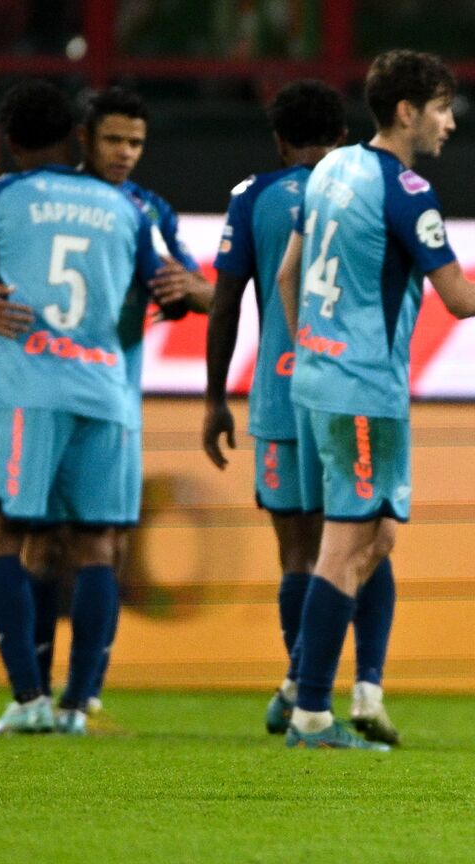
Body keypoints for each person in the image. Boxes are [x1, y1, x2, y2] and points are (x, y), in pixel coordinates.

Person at [276, 50, 475, 750]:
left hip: (320, 377)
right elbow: (459, 297)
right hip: (364, 388)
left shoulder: (329, 168)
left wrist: (309, 343)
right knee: (345, 546)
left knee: (376, 537)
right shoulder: (405, 189)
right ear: (408, 111)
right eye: (441, 108)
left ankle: (300, 686)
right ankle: (309, 710)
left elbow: (288, 272)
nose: (449, 123)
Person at [0, 86, 213, 734]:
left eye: (136, 143)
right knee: (53, 544)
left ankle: (68, 697)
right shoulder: (100, 209)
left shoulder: (133, 208)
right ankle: (47, 692)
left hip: (99, 391)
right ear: (84, 140)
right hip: (103, 388)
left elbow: (202, 291)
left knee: (81, 540)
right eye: (114, 140)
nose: (125, 154)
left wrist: (192, 289)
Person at [202, 80, 400, 744]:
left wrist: (213, 397)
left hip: (280, 396)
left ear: (280, 140)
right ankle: (366, 685)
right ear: (343, 138)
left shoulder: (253, 196)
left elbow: (226, 300)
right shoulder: (365, 190)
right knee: (362, 539)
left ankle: (299, 683)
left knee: (299, 554)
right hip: (350, 387)